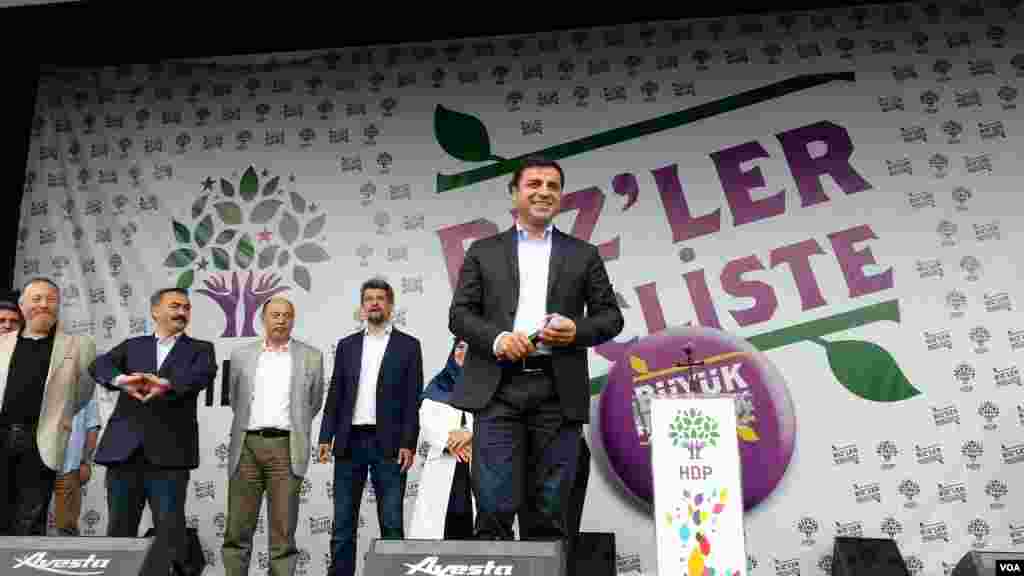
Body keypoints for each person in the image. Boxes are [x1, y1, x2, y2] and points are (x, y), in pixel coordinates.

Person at [448, 155, 624, 543]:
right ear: (514, 194)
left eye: (553, 186)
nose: (544, 192)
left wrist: (575, 330)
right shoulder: (483, 250)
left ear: (560, 197)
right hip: (497, 390)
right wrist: (497, 339)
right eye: (534, 184)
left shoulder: (583, 254)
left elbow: (611, 318)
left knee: (548, 512)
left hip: (555, 391)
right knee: (492, 508)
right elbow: (460, 315)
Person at [90, 288, 217, 575]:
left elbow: (202, 375)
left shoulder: (200, 349)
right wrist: (122, 380)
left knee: (170, 531)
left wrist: (166, 385)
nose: (181, 312)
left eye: (186, 307)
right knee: (119, 530)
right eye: (174, 306)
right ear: (155, 311)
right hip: (125, 453)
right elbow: (98, 364)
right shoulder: (133, 346)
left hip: (170, 456)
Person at [318, 278, 423, 576]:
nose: (374, 303)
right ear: (362, 306)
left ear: (390, 306)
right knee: (342, 525)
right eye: (369, 298)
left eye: (380, 298)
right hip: (350, 442)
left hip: (389, 444)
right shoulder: (347, 345)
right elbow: (335, 393)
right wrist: (326, 435)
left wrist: (408, 443)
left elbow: (411, 400)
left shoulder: (409, 346)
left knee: (391, 523)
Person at [221, 297, 326, 576]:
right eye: (275, 314)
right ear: (263, 319)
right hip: (246, 447)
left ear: (293, 320)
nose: (281, 320)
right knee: (237, 532)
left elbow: (313, 404)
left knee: (283, 535)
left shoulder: (312, 356)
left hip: (287, 448)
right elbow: (235, 400)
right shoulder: (242, 355)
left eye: (287, 315)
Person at [0, 277, 97, 535]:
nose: (44, 305)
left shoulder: (79, 345)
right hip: (2, 434)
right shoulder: (2, 342)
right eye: (37, 299)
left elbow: (82, 394)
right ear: (22, 306)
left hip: (42, 440)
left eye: (51, 299)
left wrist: (56, 417)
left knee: (30, 521)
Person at [409, 340, 474, 540]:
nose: (463, 352)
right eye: (460, 347)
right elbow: (426, 420)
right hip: (444, 465)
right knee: (442, 528)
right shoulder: (439, 384)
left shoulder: (489, 386)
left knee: (478, 530)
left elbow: (497, 419)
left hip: (479, 464)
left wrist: (470, 433)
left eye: (470, 348)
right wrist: (449, 441)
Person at [52, 396, 101, 535]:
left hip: (69, 466)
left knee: (67, 528)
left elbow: (93, 427)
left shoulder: (86, 387)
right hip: (40, 463)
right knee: (27, 523)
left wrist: (85, 461)